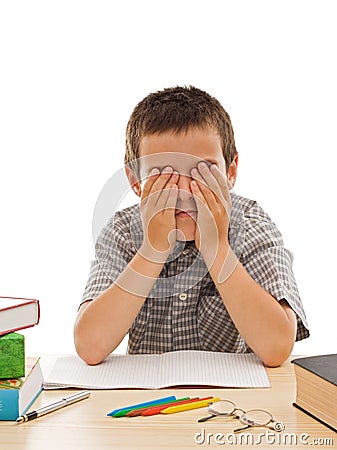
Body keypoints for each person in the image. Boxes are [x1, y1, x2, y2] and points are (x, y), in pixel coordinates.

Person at [74, 86, 309, 367]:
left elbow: (277, 347)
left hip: (232, 402)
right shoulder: (123, 231)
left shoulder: (251, 224)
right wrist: (152, 249)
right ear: (136, 181)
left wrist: (217, 248)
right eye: (162, 174)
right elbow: (89, 346)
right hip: (146, 398)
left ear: (230, 172)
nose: (185, 191)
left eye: (203, 170)